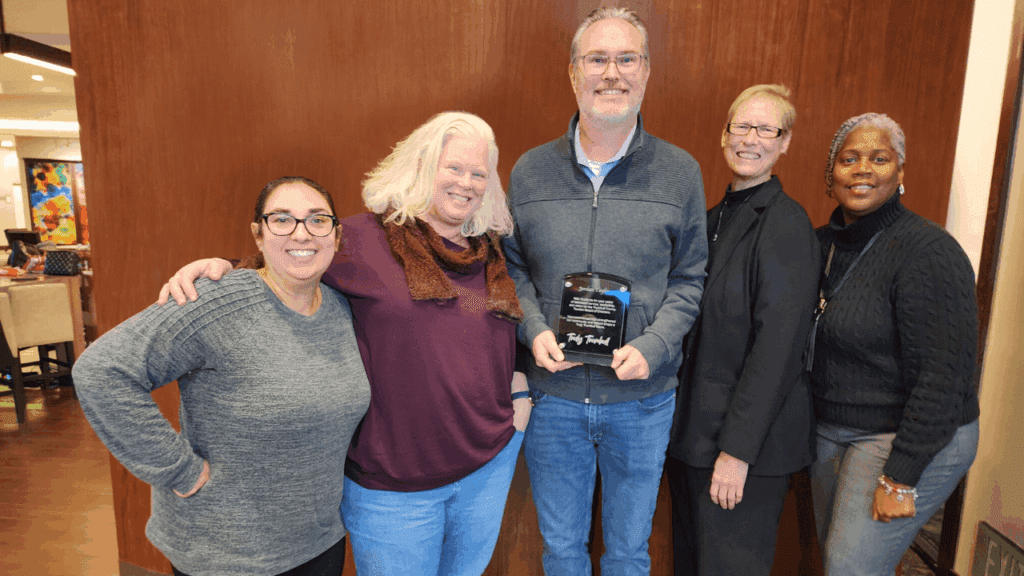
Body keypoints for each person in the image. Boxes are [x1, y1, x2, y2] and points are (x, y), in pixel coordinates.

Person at [159, 112, 531, 576]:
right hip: (393, 487)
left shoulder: (488, 249)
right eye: (453, 168)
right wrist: (221, 265)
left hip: (488, 466)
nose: (467, 182)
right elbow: (285, 271)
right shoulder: (363, 239)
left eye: (479, 173)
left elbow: (500, 332)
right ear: (420, 165)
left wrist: (520, 394)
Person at [74, 177, 371, 576]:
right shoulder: (217, 299)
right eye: (282, 219)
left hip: (318, 542)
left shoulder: (340, 307)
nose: (302, 233)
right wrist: (178, 469)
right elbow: (101, 370)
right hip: (226, 551)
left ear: (334, 234)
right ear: (259, 234)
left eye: (317, 220)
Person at [502, 7, 707, 575]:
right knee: (561, 551)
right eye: (597, 59)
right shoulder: (529, 172)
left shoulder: (680, 172)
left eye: (626, 58)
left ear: (646, 72)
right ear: (574, 73)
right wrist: (533, 327)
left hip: (641, 403)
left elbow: (691, 279)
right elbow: (511, 269)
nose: (611, 72)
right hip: (554, 400)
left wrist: (656, 345)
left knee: (628, 553)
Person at [807, 113, 980, 575]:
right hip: (832, 429)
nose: (863, 168)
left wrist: (901, 474)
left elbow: (945, 377)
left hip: (906, 432)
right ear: (831, 176)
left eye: (879, 158)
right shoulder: (817, 245)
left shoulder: (929, 253)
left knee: (849, 569)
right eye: (849, 159)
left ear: (900, 173)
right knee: (841, 561)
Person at [663, 84, 819, 575]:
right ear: (723, 133)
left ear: (785, 141)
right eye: (740, 126)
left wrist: (736, 451)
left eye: (765, 129)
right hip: (692, 439)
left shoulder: (787, 225)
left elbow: (777, 350)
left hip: (742, 450)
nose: (749, 138)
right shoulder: (710, 220)